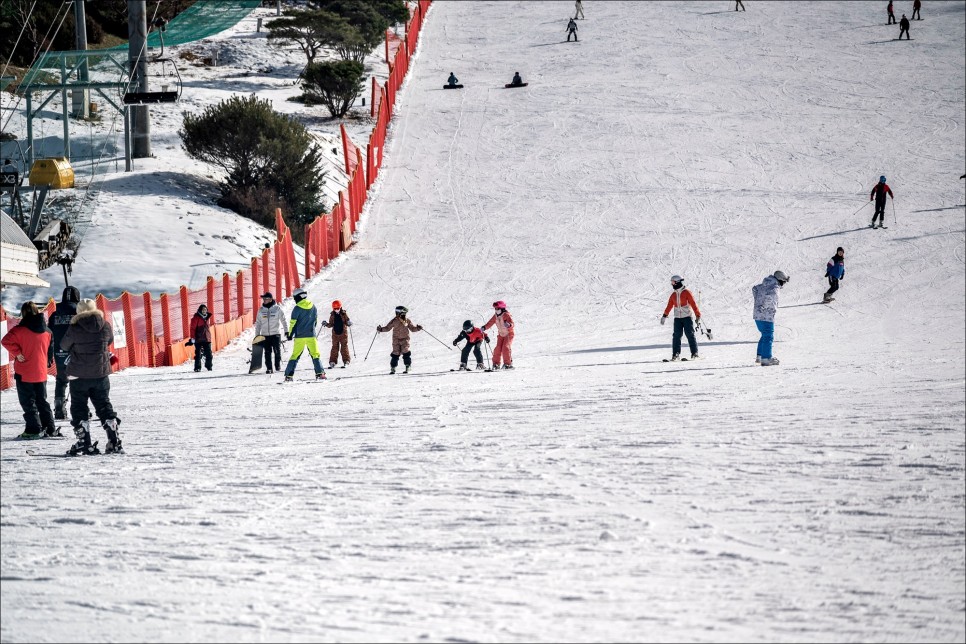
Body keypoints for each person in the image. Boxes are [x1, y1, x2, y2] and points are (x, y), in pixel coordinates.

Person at [60, 299, 122, 455]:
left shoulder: (74, 327)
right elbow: (109, 341)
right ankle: (114, 441)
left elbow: (64, 345)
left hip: (78, 376)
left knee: (79, 407)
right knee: (103, 405)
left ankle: (85, 443)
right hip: (101, 374)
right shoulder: (105, 325)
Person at [1, 302, 56, 438]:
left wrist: (17, 352)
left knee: (28, 402)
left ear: (23, 313)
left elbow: (5, 341)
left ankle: (33, 429)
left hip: (24, 371)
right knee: (42, 401)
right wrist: (48, 361)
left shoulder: (18, 330)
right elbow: (50, 349)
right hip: (41, 371)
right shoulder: (47, 331)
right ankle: (49, 427)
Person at [49, 285, 80, 419]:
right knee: (77, 380)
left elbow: (49, 333)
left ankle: (59, 408)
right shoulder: (78, 313)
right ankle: (79, 409)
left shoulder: (55, 315)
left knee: (61, 379)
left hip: (59, 352)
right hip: (76, 351)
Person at [284, 288, 326, 381]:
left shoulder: (297, 308)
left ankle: (288, 376)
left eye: (295, 297)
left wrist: (290, 334)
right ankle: (320, 374)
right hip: (311, 335)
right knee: (315, 354)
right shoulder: (313, 307)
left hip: (300, 337)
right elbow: (315, 322)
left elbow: (293, 323)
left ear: (298, 297)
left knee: (295, 355)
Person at [660, 275, 702, 361]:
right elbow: (669, 306)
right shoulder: (673, 295)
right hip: (677, 318)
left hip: (687, 317)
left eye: (673, 282)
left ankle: (695, 353)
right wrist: (664, 315)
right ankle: (676, 354)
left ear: (677, 282)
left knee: (690, 335)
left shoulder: (687, 292)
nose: (672, 284)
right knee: (676, 336)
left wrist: (697, 315)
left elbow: (693, 304)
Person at [753, 271, 789, 367]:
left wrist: (758, 304)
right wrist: (768, 308)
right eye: (784, 281)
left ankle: (760, 357)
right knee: (768, 336)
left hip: (757, 315)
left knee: (764, 335)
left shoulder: (764, 285)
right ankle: (766, 358)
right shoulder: (774, 288)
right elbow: (769, 300)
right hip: (766, 315)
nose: (784, 284)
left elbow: (754, 289)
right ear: (780, 280)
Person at [377, 306, 422, 374]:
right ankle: (393, 367)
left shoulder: (407, 321)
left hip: (405, 339)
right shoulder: (394, 321)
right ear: (399, 313)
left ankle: (408, 366)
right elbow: (388, 328)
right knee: (395, 353)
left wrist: (417, 328)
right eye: (403, 314)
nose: (404, 315)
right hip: (396, 340)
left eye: (405, 314)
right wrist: (381, 329)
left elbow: (412, 328)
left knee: (405, 351)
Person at [254, 292, 286, 373]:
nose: (264, 300)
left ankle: (277, 365)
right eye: (263, 299)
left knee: (277, 351)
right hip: (265, 335)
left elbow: (283, 320)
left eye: (266, 299)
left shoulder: (277, 309)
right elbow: (258, 323)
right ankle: (269, 368)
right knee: (267, 352)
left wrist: (286, 331)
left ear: (271, 299)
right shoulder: (261, 310)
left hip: (275, 334)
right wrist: (257, 335)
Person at [483, 300, 515, 369]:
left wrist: (509, 325)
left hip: (508, 334)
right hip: (501, 335)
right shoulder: (495, 316)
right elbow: (490, 323)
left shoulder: (506, 315)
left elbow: (512, 324)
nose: (496, 310)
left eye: (497, 308)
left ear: (502, 308)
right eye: (495, 308)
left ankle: (508, 364)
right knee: (497, 349)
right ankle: (496, 364)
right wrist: (484, 327)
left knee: (505, 348)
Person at [322, 299, 353, 368]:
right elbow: (330, 324)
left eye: (338, 308)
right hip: (335, 334)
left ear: (340, 307)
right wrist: (326, 324)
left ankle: (346, 361)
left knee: (344, 347)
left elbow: (347, 321)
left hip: (343, 333)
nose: (336, 310)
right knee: (334, 348)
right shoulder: (332, 315)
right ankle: (333, 361)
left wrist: (349, 323)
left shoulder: (344, 314)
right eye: (335, 308)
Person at [189, 304, 214, 372]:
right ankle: (197, 368)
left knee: (209, 354)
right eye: (203, 310)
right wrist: (193, 338)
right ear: (200, 310)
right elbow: (192, 329)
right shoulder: (195, 318)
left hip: (207, 339)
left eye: (205, 310)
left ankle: (209, 366)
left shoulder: (207, 317)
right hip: (198, 339)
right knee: (198, 354)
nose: (204, 311)